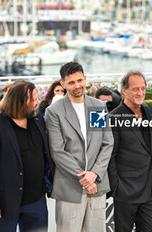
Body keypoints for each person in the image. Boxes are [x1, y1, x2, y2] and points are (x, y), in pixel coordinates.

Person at [0, 80, 54, 232]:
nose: (38, 102)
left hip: (36, 200)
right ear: (20, 102)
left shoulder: (37, 119)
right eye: (34, 98)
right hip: (4, 203)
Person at [45, 62, 113, 232]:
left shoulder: (98, 107)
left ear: (85, 79)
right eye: (71, 82)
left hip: (96, 185)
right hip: (70, 187)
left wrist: (94, 174)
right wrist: (84, 178)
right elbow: (57, 151)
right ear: (63, 84)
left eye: (79, 80)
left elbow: (106, 143)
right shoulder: (54, 111)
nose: (77, 86)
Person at [108, 70, 152, 232]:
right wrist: (117, 187)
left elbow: (148, 146)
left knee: (151, 229)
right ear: (124, 90)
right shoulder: (114, 117)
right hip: (125, 190)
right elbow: (111, 155)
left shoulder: (146, 110)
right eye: (136, 89)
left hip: (147, 189)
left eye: (143, 88)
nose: (140, 92)